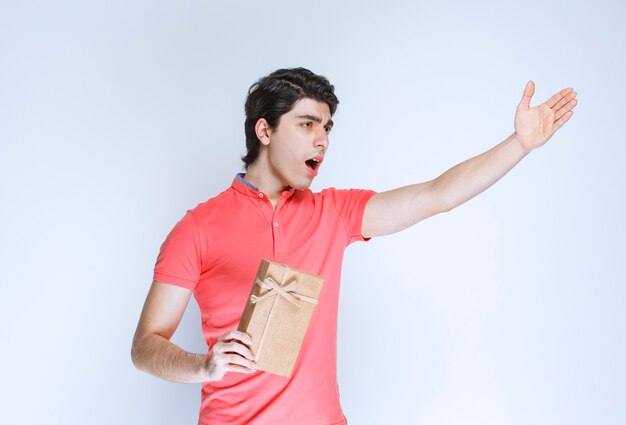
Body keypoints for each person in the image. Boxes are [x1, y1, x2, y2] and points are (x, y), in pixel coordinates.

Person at [131, 67, 577, 424]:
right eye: (307, 124)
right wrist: (204, 365)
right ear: (264, 131)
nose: (323, 140)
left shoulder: (333, 212)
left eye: (327, 127)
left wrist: (519, 144)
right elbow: (146, 346)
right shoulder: (198, 228)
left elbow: (435, 195)